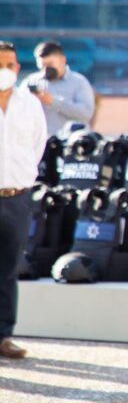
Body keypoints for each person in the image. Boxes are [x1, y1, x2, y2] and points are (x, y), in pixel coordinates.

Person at [0, 41, 47, 360]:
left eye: (12, 65)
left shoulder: (28, 103)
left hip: (16, 197)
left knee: (7, 268)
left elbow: (37, 144)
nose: (8, 70)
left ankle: (3, 336)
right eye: (2, 64)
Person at [22, 40, 95, 136]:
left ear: (63, 60)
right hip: (41, 143)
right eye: (42, 66)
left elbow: (86, 113)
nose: (46, 70)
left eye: (50, 65)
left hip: (68, 144)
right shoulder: (31, 81)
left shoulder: (79, 82)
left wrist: (53, 101)